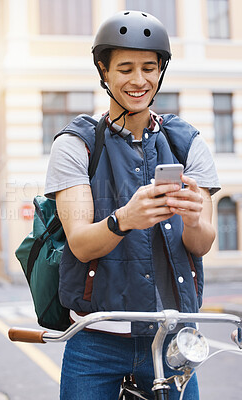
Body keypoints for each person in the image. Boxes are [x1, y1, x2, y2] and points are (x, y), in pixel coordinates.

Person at [45, 10, 220, 400]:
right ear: (104, 72)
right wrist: (125, 219)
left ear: (161, 72)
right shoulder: (77, 145)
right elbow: (80, 243)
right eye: (125, 68)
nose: (138, 80)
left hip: (172, 335)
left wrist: (193, 218)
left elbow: (202, 243)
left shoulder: (187, 142)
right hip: (96, 340)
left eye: (149, 67)